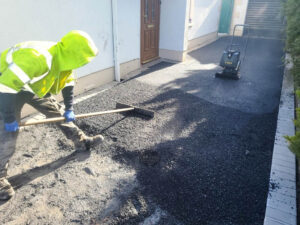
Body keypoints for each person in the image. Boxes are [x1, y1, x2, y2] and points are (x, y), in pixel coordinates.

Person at [0, 30, 104, 201]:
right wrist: (10, 118)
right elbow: (6, 87)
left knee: (57, 111)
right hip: (5, 87)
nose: (82, 63)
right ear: (73, 54)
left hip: (30, 86)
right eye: (82, 58)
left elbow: (68, 82)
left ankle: (81, 140)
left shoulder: (64, 59)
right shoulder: (38, 58)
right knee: (7, 132)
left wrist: (69, 108)